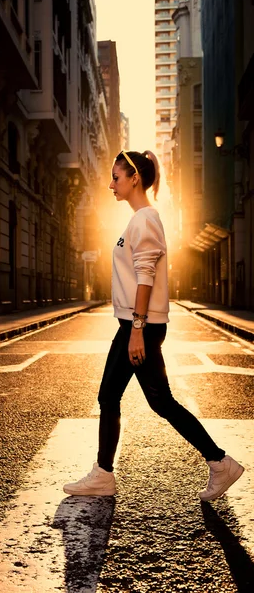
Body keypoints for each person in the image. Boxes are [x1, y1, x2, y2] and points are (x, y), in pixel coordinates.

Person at [63, 150, 244, 502]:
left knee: (119, 397)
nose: (110, 184)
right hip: (139, 323)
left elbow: (145, 277)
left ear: (134, 178)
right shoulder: (139, 219)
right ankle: (218, 462)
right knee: (154, 401)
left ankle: (106, 474)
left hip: (139, 325)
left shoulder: (144, 219)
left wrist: (136, 329)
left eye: (116, 177)